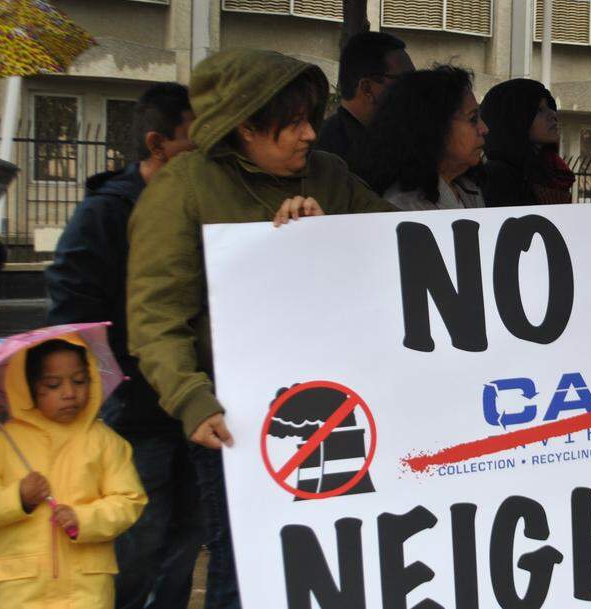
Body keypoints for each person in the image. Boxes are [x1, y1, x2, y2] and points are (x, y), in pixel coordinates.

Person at [126, 48, 395, 609]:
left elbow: (405, 244)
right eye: (290, 124)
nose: (306, 136)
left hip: (343, 403)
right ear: (244, 125)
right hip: (239, 424)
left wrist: (333, 231)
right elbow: (156, 314)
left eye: (309, 120)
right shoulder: (184, 188)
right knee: (246, 571)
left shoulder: (331, 175)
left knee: (339, 557)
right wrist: (191, 398)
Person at [45, 82, 202, 609]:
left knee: (186, 540)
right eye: (192, 137)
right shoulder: (105, 214)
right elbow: (71, 313)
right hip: (136, 417)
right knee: (138, 542)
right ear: (157, 145)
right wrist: (114, 381)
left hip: (198, 411)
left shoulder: (202, 204)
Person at [0, 336, 147, 609]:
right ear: (29, 388)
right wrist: (18, 498)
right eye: (53, 384)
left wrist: (83, 519)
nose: (69, 392)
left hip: (87, 589)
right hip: (21, 590)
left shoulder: (105, 441)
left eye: (79, 380)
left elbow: (130, 500)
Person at [368, 65, 489, 210]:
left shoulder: (468, 189)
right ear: (435, 127)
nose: (484, 129)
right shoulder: (402, 206)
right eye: (472, 118)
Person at [316, 32, 414, 181]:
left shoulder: (392, 137)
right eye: (406, 81)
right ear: (367, 88)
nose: (414, 89)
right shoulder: (328, 153)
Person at [479, 78, 574, 206]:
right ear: (515, 121)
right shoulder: (498, 176)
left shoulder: (552, 169)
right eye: (539, 110)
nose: (553, 114)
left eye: (549, 107)